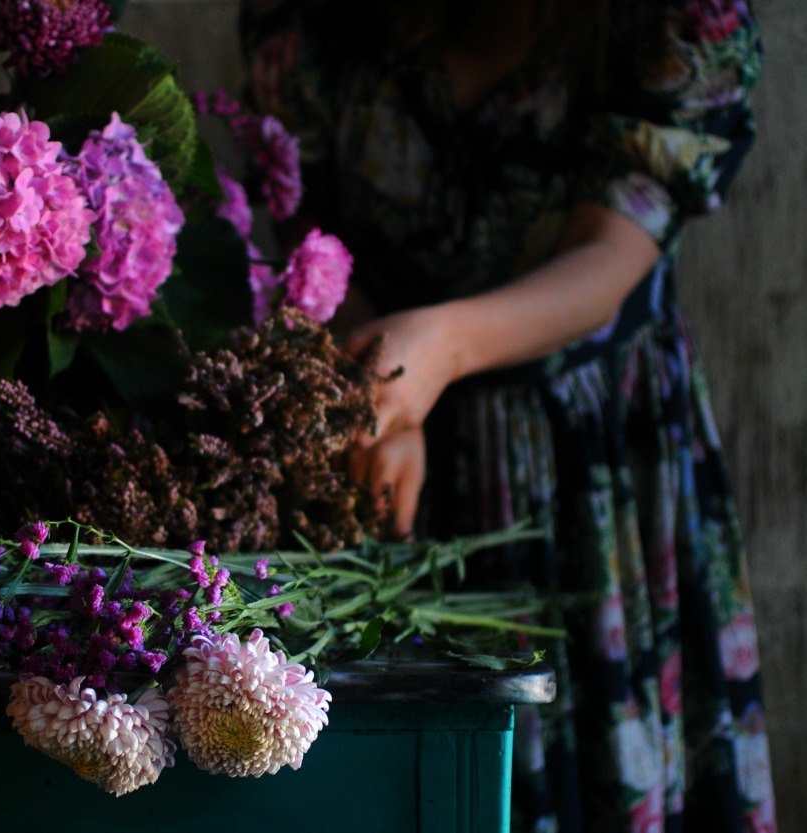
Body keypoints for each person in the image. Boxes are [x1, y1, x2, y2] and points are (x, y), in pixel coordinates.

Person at [241, 1, 775, 831]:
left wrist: (439, 351)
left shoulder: (671, 21)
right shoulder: (306, 19)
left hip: (586, 455)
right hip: (379, 442)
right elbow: (312, 231)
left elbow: (610, 251)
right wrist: (383, 387)